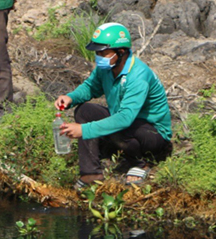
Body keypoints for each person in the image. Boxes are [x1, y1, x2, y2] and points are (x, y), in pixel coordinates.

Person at [56, 22, 172, 186]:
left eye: (103, 52)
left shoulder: (138, 75)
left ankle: (141, 163)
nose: (99, 56)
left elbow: (125, 118)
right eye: (97, 52)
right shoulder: (106, 67)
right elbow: (90, 87)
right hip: (127, 125)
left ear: (121, 51)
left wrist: (84, 130)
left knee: (122, 124)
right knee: (85, 111)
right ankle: (91, 173)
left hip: (152, 135)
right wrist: (71, 98)